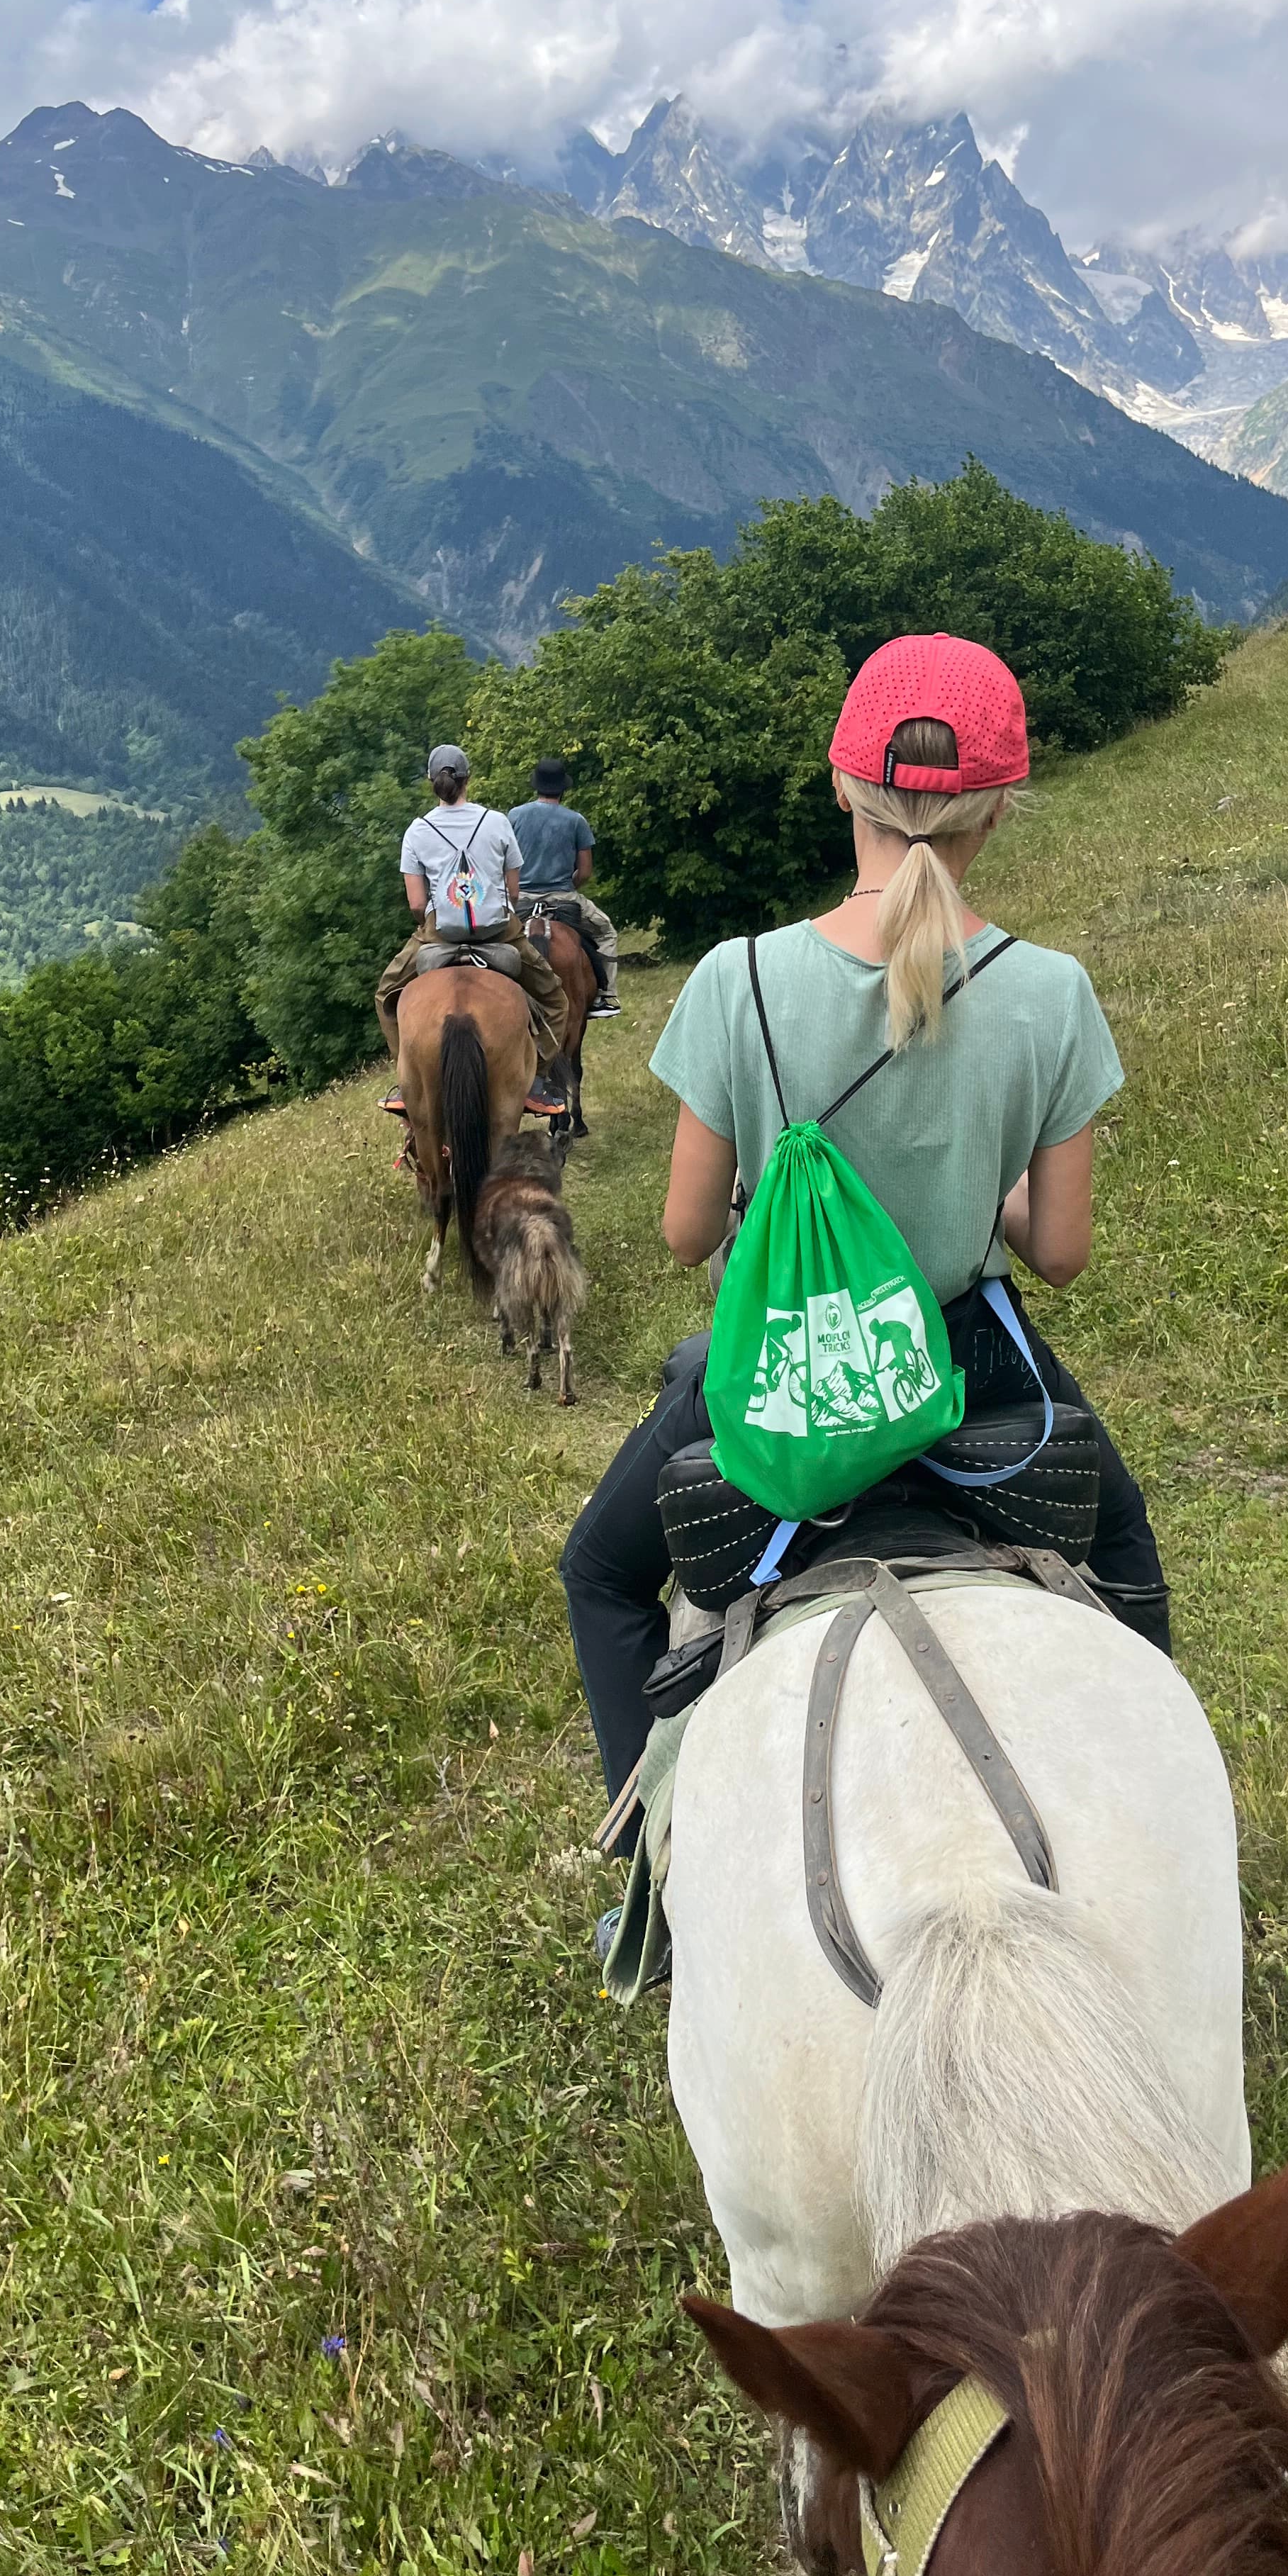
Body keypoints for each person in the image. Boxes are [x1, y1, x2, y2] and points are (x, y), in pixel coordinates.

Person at [560, 632, 1171, 1847]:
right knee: (1121, 1542)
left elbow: (686, 1234)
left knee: (601, 1570)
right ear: (997, 809)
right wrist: (970, 1194)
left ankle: (650, 1851)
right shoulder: (1050, 992)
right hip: (968, 1362)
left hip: (789, 1368)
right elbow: (1055, 1251)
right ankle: (1153, 1815)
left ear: (841, 785)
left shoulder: (734, 981)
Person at [376, 744, 572, 1119]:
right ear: (468, 779)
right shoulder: (497, 822)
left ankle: (408, 1084)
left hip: (440, 934)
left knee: (386, 994)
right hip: (499, 930)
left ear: (432, 783)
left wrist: (431, 925)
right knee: (555, 1000)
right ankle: (535, 1083)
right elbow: (513, 891)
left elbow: (417, 904)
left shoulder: (417, 831)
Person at [508, 756, 622, 1016]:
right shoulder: (576, 821)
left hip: (521, 900)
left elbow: (505, 863)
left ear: (536, 786)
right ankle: (605, 996)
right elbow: (585, 871)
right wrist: (568, 883)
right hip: (563, 897)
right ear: (563, 788)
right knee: (606, 932)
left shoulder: (514, 816)